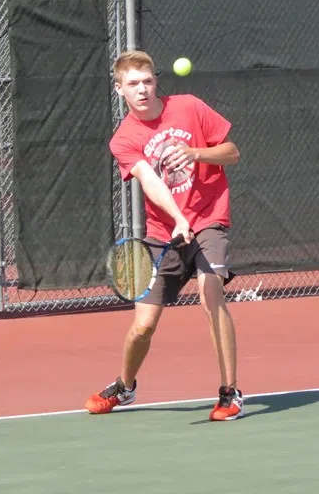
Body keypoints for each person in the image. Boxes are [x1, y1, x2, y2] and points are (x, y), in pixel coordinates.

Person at [85, 50, 244, 421]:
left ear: (156, 81)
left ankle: (230, 393)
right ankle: (125, 387)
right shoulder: (123, 139)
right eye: (133, 84)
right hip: (164, 234)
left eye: (147, 81)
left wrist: (195, 154)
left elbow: (232, 153)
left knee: (210, 293)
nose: (142, 89)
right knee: (142, 327)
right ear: (119, 89)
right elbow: (150, 181)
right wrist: (176, 218)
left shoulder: (189, 107)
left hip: (208, 219)